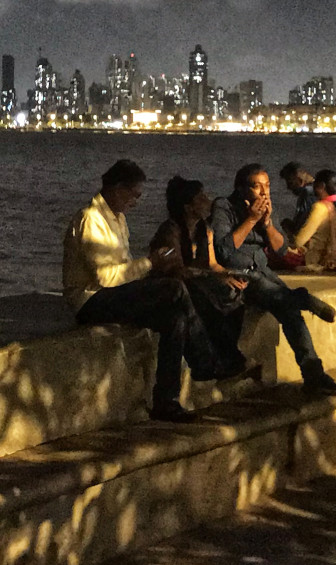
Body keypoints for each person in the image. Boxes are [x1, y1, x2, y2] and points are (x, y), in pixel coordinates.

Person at [63, 160, 239, 423]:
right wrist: (150, 263)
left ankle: (166, 401)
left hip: (115, 293)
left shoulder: (118, 219)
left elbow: (123, 269)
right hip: (92, 300)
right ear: (117, 188)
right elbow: (103, 277)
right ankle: (205, 360)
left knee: (175, 319)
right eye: (134, 194)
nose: (136, 201)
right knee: (174, 287)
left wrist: (150, 269)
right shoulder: (92, 219)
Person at [211, 163, 336, 396]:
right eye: (257, 187)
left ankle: (313, 374)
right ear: (241, 188)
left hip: (264, 273)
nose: (264, 193)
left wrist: (266, 224)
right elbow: (224, 251)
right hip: (242, 275)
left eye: (267, 186)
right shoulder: (224, 207)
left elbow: (281, 247)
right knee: (287, 302)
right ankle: (303, 299)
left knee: (289, 310)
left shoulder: (262, 210)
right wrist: (251, 221)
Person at [150, 176, 249, 371]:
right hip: (174, 285)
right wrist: (214, 277)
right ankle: (220, 360)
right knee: (209, 301)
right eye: (201, 198)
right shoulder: (171, 230)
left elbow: (211, 264)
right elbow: (175, 270)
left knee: (236, 295)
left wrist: (230, 275)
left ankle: (228, 355)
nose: (208, 201)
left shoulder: (204, 228)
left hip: (195, 279)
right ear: (188, 207)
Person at [290, 169, 336, 269]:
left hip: (312, 258)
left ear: (322, 186)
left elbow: (299, 241)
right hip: (327, 257)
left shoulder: (320, 207)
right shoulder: (333, 206)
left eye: (315, 184)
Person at [278, 161, 317, 239]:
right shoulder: (321, 189)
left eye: (290, 182)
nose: (288, 187)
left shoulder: (308, 193)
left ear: (300, 180)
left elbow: (300, 228)